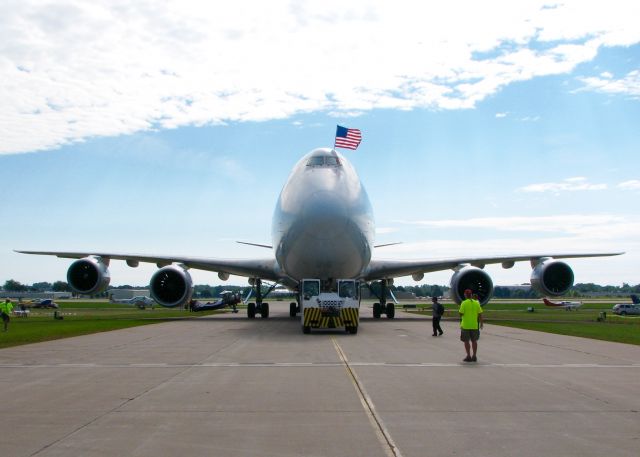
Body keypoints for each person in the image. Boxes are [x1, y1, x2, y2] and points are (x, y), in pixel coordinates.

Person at [459, 289, 483, 362]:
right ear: (471, 295)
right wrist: (481, 323)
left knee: (466, 341)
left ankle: (468, 356)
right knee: (474, 341)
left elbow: (461, 313)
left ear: (465, 295)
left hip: (465, 325)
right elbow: (480, 314)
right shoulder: (476, 303)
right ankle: (474, 356)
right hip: (474, 325)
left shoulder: (464, 303)